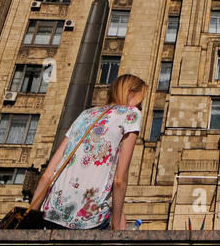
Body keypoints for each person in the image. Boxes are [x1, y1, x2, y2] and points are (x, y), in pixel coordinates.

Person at [29, 73, 146, 230]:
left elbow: (46, 175)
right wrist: (117, 224)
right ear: (130, 92)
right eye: (140, 100)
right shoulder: (131, 114)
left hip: (53, 212)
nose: (140, 106)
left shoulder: (86, 114)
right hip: (88, 217)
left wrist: (29, 219)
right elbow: (119, 180)